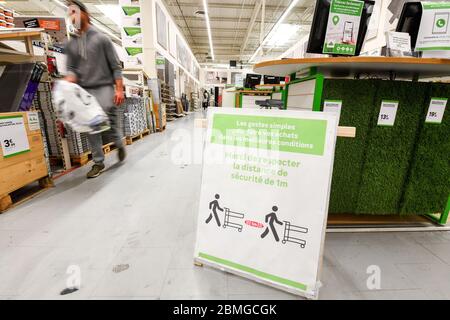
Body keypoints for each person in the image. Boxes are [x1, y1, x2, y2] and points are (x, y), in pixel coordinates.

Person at [64, 0, 126, 179]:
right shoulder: (73, 44)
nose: (72, 16)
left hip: (104, 88)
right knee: (92, 126)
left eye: (75, 12)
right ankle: (98, 162)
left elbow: (115, 66)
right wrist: (67, 82)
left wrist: (119, 89)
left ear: (85, 14)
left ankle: (119, 143)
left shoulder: (102, 39)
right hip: (85, 91)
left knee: (111, 125)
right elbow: (72, 70)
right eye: (70, 14)